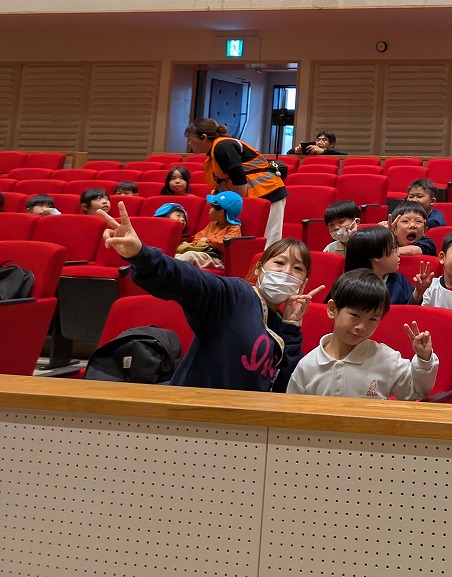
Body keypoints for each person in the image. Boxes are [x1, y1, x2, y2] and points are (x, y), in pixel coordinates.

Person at [100, 203, 321, 392]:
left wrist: (291, 326)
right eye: (279, 263)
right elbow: (191, 280)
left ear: (303, 282)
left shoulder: (282, 326)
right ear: (259, 269)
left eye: (297, 269)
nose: (286, 272)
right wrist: (141, 255)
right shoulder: (235, 295)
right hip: (195, 411)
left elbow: (287, 386)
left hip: (244, 419)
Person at [286, 269, 438, 400]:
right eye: (355, 315)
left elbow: (415, 391)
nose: (362, 327)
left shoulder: (385, 358)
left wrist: (424, 358)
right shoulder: (308, 366)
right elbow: (292, 410)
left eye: (372, 319)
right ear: (333, 309)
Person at [185, 117, 289, 246]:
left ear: (204, 137)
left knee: (268, 242)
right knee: (253, 242)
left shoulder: (222, 147)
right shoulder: (215, 151)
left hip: (269, 193)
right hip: (256, 195)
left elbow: (238, 176)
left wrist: (239, 205)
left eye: (191, 139)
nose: (189, 144)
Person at [343, 226, 428, 305]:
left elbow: (408, 311)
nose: (398, 253)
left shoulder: (399, 280)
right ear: (376, 255)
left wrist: (418, 292)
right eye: (393, 248)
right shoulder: (347, 287)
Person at [175, 190, 243, 269]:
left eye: (212, 207)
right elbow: (197, 237)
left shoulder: (234, 227)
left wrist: (207, 240)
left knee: (190, 256)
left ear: (221, 212)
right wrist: (206, 242)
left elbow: (225, 244)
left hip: (218, 259)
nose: (209, 210)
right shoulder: (212, 224)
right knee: (176, 255)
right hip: (203, 253)